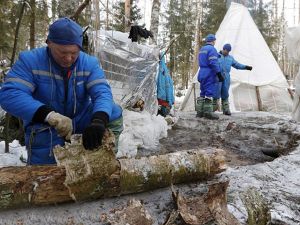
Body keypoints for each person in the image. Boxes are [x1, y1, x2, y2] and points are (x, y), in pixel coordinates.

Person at [0, 18, 123, 165]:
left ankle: (104, 161)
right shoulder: (30, 61)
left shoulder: (89, 63)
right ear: (49, 43)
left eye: (74, 53)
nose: (69, 58)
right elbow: (10, 94)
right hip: (45, 125)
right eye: (62, 53)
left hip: (79, 120)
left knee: (113, 112)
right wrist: (49, 115)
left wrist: (98, 120)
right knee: (46, 177)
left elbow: (102, 93)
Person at [214, 43, 252, 115]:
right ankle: (212, 109)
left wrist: (246, 67)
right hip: (217, 76)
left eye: (228, 51)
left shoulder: (230, 58)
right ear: (223, 49)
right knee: (216, 92)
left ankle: (226, 109)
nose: (227, 52)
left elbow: (237, 65)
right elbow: (212, 64)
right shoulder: (217, 56)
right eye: (226, 50)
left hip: (226, 77)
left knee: (225, 93)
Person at [196, 34, 224, 120]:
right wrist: (219, 74)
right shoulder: (212, 49)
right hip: (209, 72)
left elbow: (204, 59)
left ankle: (199, 112)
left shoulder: (202, 49)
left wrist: (217, 54)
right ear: (213, 41)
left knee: (202, 92)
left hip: (201, 72)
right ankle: (208, 112)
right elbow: (213, 62)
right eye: (215, 40)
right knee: (209, 92)